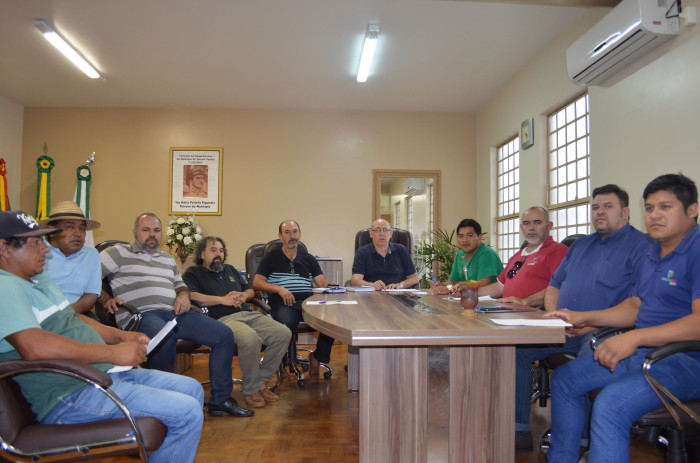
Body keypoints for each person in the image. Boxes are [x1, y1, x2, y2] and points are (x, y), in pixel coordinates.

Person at [0, 210, 204, 463]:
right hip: (71, 393)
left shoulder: (38, 280)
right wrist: (112, 353)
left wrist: (121, 337)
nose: (45, 250)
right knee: (186, 413)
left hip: (101, 375)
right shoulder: (5, 288)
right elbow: (33, 347)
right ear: (4, 248)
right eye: (35, 243)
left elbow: (75, 318)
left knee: (192, 388)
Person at [546, 173, 700, 463]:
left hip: (687, 361)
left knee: (610, 404)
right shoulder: (652, 251)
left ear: (692, 210)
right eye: (651, 208)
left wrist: (634, 337)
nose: (654, 215)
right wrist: (581, 316)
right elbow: (634, 306)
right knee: (567, 379)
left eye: (665, 207)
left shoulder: (696, 250)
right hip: (645, 354)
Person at [513, 184, 653, 451]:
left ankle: (583, 441)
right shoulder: (579, 246)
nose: (600, 212)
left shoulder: (642, 246)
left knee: (582, 369)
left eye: (608, 206)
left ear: (626, 212)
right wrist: (558, 320)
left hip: (607, 333)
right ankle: (520, 429)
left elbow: (637, 305)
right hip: (566, 329)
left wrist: (589, 322)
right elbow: (554, 286)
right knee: (516, 350)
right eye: (596, 207)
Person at [99, 213, 253, 418]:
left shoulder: (166, 258)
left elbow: (181, 286)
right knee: (165, 338)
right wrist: (105, 299)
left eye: (156, 231)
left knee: (224, 334)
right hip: (142, 315)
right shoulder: (117, 253)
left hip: (174, 313)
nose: (152, 235)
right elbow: (89, 277)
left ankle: (220, 400)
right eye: (146, 230)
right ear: (134, 232)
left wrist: (183, 295)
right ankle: (166, 405)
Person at [183, 236, 291, 408]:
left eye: (221, 250)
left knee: (284, 333)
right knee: (250, 338)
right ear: (202, 254)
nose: (218, 254)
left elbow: (250, 290)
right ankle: (251, 390)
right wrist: (222, 300)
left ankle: (260, 382)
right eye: (213, 250)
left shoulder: (230, 269)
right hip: (221, 320)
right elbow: (191, 296)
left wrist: (243, 296)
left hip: (247, 314)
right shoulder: (193, 273)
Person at [253, 220, 333, 379]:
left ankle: (317, 358)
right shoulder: (271, 257)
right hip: (283, 304)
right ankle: (280, 363)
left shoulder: (308, 258)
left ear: (300, 234)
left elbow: (322, 284)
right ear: (280, 236)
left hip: (307, 305)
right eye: (287, 232)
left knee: (331, 322)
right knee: (286, 325)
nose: (292, 236)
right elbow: (257, 282)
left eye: (295, 232)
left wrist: (335, 287)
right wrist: (279, 289)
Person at [478, 207, 568, 307]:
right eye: (526, 223)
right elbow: (500, 287)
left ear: (549, 226)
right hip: (507, 312)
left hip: (533, 314)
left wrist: (525, 301)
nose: (531, 228)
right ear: (521, 228)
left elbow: (559, 287)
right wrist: (469, 293)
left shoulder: (557, 251)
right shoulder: (517, 256)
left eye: (537, 222)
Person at [40, 200, 102, 315]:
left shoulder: (91, 254)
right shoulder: (36, 251)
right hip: (41, 314)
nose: (78, 233)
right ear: (51, 231)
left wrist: (68, 312)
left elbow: (91, 294)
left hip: (77, 313)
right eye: (69, 227)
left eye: (82, 228)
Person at [429, 218, 503, 294]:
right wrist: (442, 286)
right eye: (461, 236)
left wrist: (449, 289)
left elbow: (482, 285)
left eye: (470, 235)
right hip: (467, 300)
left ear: (479, 237)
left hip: (488, 303)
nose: (465, 240)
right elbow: (453, 282)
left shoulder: (487, 254)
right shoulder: (460, 254)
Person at [350, 218, 419, 290]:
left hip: (396, 295)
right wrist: (371, 285)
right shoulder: (362, 252)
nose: (382, 234)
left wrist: (400, 285)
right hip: (371, 295)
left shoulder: (401, 250)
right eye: (377, 230)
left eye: (385, 230)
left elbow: (414, 278)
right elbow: (355, 281)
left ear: (391, 233)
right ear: (371, 234)